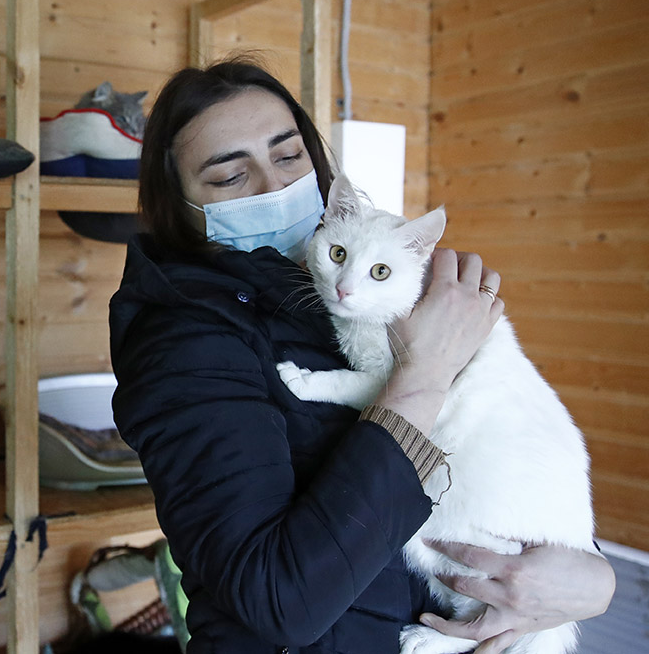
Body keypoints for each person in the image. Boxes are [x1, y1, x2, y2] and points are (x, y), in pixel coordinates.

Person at [107, 55, 614, 654]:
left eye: (288, 156)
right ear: (179, 205)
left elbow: (510, 467)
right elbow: (280, 603)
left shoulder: (341, 291)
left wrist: (591, 580)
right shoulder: (183, 342)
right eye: (230, 176)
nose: (275, 187)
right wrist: (425, 374)